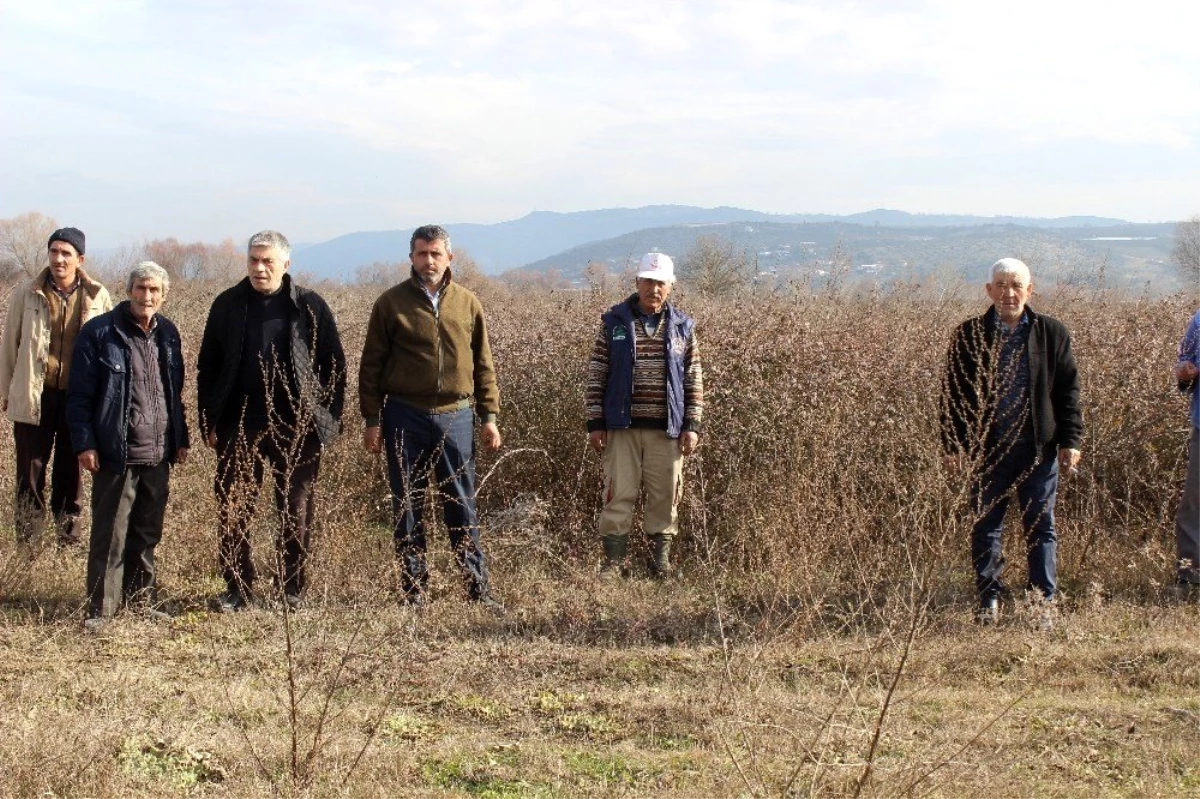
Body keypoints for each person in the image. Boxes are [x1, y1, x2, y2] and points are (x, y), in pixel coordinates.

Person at [196, 230, 345, 612]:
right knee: (234, 507)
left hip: (297, 428)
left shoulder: (310, 306)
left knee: (296, 509)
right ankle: (237, 589)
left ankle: (291, 589)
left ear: (286, 264)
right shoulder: (227, 304)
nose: (260, 268)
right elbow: (207, 366)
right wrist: (208, 418)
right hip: (238, 422)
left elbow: (334, 367)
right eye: (253, 260)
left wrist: (327, 420)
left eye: (268, 261)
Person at [359, 224, 503, 610]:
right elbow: (370, 367)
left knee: (462, 504)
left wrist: (489, 415)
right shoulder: (390, 304)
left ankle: (477, 590)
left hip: (456, 417)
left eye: (436, 253)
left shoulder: (468, 303)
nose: (429, 261)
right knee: (408, 506)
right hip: (404, 415)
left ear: (449, 257)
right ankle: (414, 592)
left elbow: (484, 363)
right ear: (411, 258)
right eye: (421, 254)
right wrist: (372, 420)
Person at [941, 257, 1082, 625]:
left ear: (1030, 290)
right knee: (985, 524)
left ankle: (1042, 605)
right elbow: (953, 395)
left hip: (1039, 450)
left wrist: (1071, 441)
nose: (1009, 292)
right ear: (988, 291)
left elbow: (1068, 393)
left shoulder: (1052, 333)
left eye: (1017, 285)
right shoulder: (969, 335)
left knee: (1041, 527)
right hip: (987, 451)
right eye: (1001, 285)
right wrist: (953, 445)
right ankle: (990, 598)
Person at [67, 262, 189, 632]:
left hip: (158, 452)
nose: (146, 296)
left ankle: (140, 601)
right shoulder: (99, 333)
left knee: (147, 532)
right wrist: (85, 442)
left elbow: (175, 393)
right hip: (115, 453)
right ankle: (100, 611)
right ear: (128, 289)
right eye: (140, 288)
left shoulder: (168, 333)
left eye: (154, 290)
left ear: (164, 294)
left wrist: (180, 439)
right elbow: (80, 397)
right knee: (111, 533)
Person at [585, 252, 704, 578]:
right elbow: (597, 373)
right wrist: (595, 422)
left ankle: (660, 564)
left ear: (670, 287)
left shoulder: (683, 327)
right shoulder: (614, 323)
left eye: (661, 283)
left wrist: (691, 425)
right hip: (620, 427)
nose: (654, 288)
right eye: (648, 281)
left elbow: (693, 377)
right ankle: (613, 564)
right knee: (618, 494)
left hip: (668, 429)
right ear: (637, 283)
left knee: (666, 497)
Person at [1, 227, 112, 547]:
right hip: (34, 395)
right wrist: (8, 392)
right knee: (30, 473)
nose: (59, 259)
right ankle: (28, 545)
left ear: (80, 259)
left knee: (71, 472)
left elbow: (108, 353)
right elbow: (10, 344)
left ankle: (68, 541)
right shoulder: (27, 292)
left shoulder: (97, 295)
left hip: (78, 399)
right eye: (54, 252)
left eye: (66, 253)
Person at [1172, 313, 1200, 593]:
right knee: (1193, 503)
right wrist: (1184, 371)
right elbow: (1185, 359)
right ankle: (1190, 578)